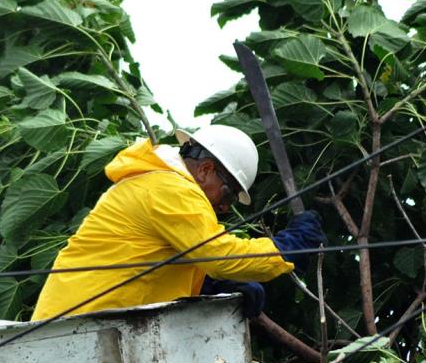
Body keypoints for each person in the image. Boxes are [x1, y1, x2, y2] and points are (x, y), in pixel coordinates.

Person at [30, 124, 325, 321]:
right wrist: (287, 248)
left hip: (83, 323)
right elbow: (220, 255)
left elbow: (153, 264)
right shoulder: (172, 189)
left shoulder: (159, 183)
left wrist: (213, 286)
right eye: (229, 194)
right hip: (76, 327)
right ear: (206, 170)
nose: (225, 207)